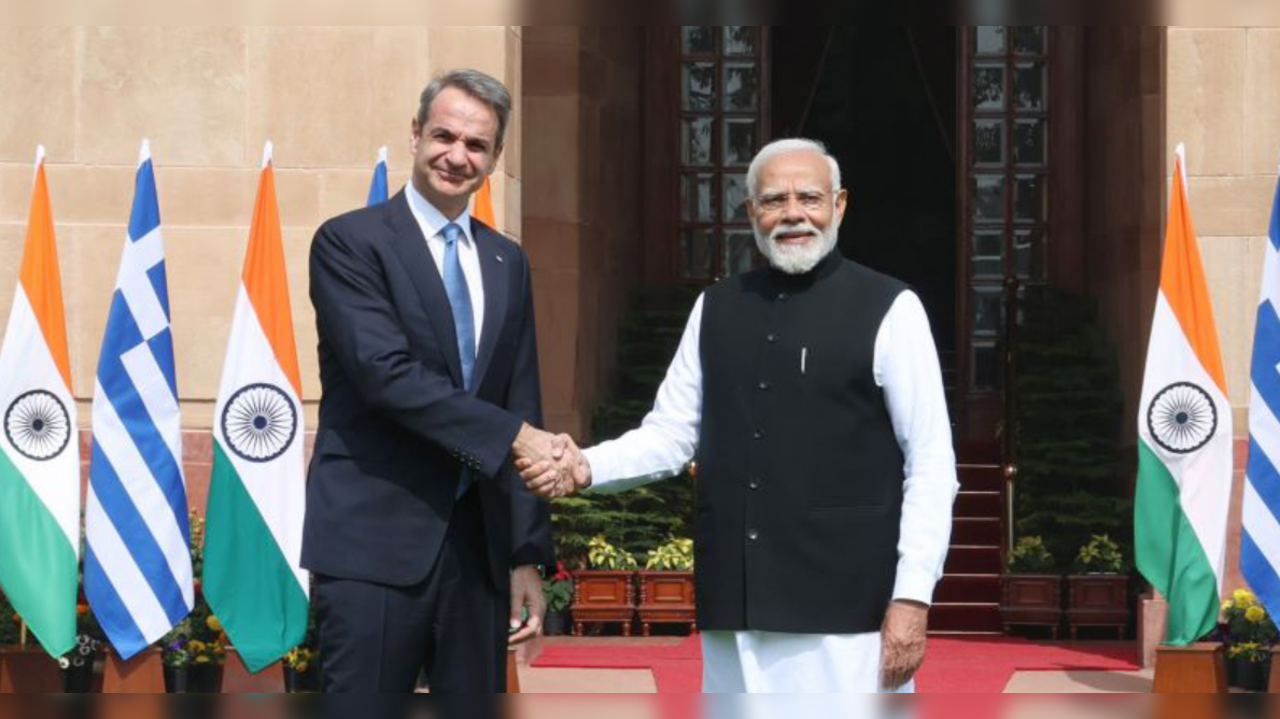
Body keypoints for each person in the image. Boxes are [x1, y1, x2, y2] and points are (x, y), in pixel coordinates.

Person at [521, 138, 959, 693]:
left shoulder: (893, 308)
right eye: (774, 200)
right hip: (737, 606)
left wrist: (912, 596)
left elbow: (931, 463)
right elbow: (671, 435)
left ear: (840, 205)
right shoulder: (716, 306)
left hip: (848, 614)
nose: (793, 214)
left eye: (810, 197)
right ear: (751, 212)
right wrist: (584, 466)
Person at [303, 69, 581, 693]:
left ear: (495, 158)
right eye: (444, 136)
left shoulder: (507, 261)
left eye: (477, 145)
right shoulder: (352, 243)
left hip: (476, 556)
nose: (457, 156)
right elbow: (386, 376)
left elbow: (521, 395)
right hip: (374, 543)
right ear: (415, 135)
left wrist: (526, 552)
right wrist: (518, 436)